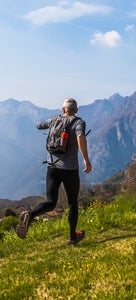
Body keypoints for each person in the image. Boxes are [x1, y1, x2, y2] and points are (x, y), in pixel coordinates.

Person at [16, 98, 92, 244]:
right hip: (70, 170)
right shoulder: (78, 122)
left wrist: (51, 122)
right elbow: (80, 136)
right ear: (76, 111)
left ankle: (30, 215)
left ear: (63, 110)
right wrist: (86, 160)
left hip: (52, 168)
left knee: (51, 202)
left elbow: (39, 125)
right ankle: (72, 237)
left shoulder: (53, 120)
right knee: (73, 204)